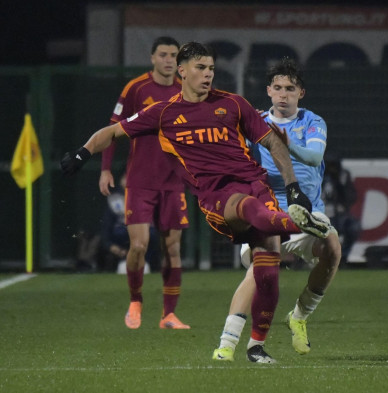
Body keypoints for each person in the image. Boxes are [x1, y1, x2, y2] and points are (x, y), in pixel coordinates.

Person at [60, 41, 332, 362]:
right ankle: (298, 222)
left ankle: (253, 348)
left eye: (212, 69)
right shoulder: (163, 112)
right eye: (201, 68)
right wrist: (82, 153)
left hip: (256, 183)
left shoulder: (233, 104)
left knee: (268, 275)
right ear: (182, 71)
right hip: (217, 195)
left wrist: (293, 187)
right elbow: (113, 131)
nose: (208, 74)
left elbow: (273, 141)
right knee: (251, 211)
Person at [212, 58, 341, 363]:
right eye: (278, 88)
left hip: (306, 212)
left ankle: (299, 315)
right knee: (259, 273)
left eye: (290, 89)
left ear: (301, 93)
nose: (284, 94)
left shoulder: (313, 122)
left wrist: (284, 145)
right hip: (267, 209)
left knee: (333, 248)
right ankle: (228, 344)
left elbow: (313, 157)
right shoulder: (253, 121)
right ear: (269, 90)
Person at [98, 36, 190, 330]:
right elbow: (113, 129)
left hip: (174, 182)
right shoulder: (136, 88)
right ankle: (135, 301)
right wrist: (105, 169)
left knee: (172, 248)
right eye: (163, 54)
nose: (168, 60)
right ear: (152, 57)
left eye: (174, 55)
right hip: (140, 180)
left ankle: (168, 315)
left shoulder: (186, 91)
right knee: (138, 245)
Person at [99, 174, 159, 273]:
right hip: (121, 243)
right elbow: (107, 226)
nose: (129, 180)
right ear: (121, 180)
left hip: (144, 243)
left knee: (150, 234)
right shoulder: (114, 199)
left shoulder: (147, 197)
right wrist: (111, 246)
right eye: (126, 177)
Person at [322, 152, 361, 264]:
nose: (331, 168)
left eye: (333, 165)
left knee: (353, 227)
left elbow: (351, 197)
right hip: (319, 212)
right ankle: (303, 259)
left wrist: (339, 184)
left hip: (339, 213)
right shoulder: (315, 174)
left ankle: (342, 257)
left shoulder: (343, 175)